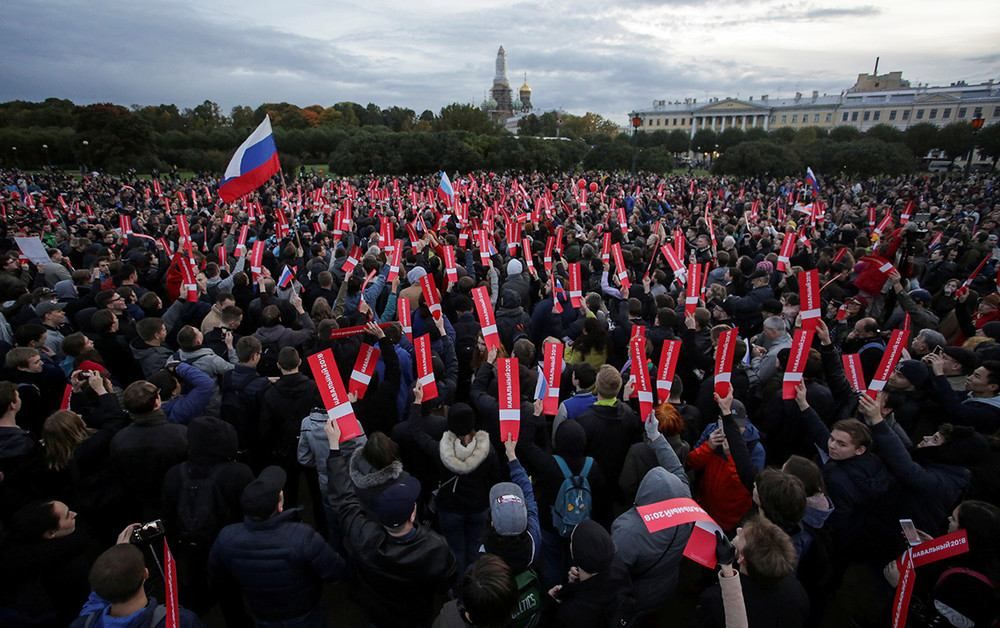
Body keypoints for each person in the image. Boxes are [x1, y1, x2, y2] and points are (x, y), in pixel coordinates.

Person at [324, 416, 457, 628]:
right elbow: (447, 580)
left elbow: (343, 500)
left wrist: (334, 447)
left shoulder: (361, 536)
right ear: (413, 514)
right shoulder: (435, 547)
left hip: (377, 609)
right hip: (416, 614)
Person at [209, 466, 345, 627]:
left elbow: (216, 575)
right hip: (305, 615)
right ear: (279, 507)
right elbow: (335, 571)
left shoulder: (226, 538)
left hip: (262, 615)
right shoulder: (302, 537)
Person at [612, 412, 692, 618]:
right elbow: (676, 468)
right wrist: (655, 436)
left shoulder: (628, 529)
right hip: (666, 585)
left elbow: (613, 572)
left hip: (636, 595)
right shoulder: (685, 501)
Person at [694, 517, 809, 628]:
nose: (738, 530)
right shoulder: (797, 593)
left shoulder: (716, 601)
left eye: (741, 537)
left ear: (742, 559)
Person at [72, 531, 203, 627]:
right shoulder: (181, 621)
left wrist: (118, 555)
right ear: (145, 574)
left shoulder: (82, 624)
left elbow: (94, 603)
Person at [546, 519, 633, 628]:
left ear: (575, 554)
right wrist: (574, 584)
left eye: (572, 541)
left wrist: (550, 603)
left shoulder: (572, 614)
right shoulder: (618, 566)